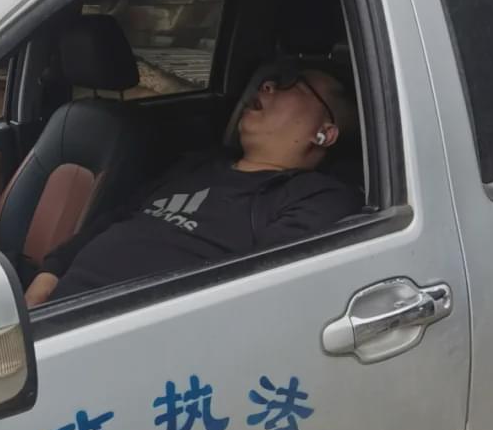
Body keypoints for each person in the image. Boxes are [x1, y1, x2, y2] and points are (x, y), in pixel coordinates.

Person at [24, 63, 362, 307]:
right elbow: (119, 216)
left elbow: (259, 295)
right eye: (270, 81)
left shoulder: (318, 198)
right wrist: (50, 273)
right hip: (56, 308)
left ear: (324, 133)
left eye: (294, 86)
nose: (268, 86)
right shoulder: (200, 164)